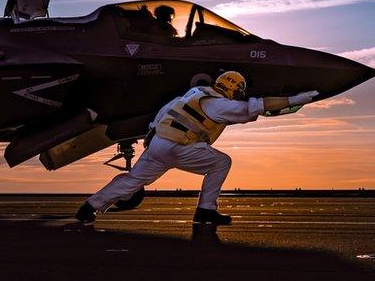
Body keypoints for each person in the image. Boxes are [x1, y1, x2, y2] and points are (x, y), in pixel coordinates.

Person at [75, 71, 318, 225]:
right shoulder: (220, 105)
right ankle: (205, 211)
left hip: (159, 142)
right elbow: (256, 106)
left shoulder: (194, 92)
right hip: (181, 146)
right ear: (235, 89)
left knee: (133, 180)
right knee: (221, 163)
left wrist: (151, 133)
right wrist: (297, 99)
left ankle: (89, 208)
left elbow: (164, 111)